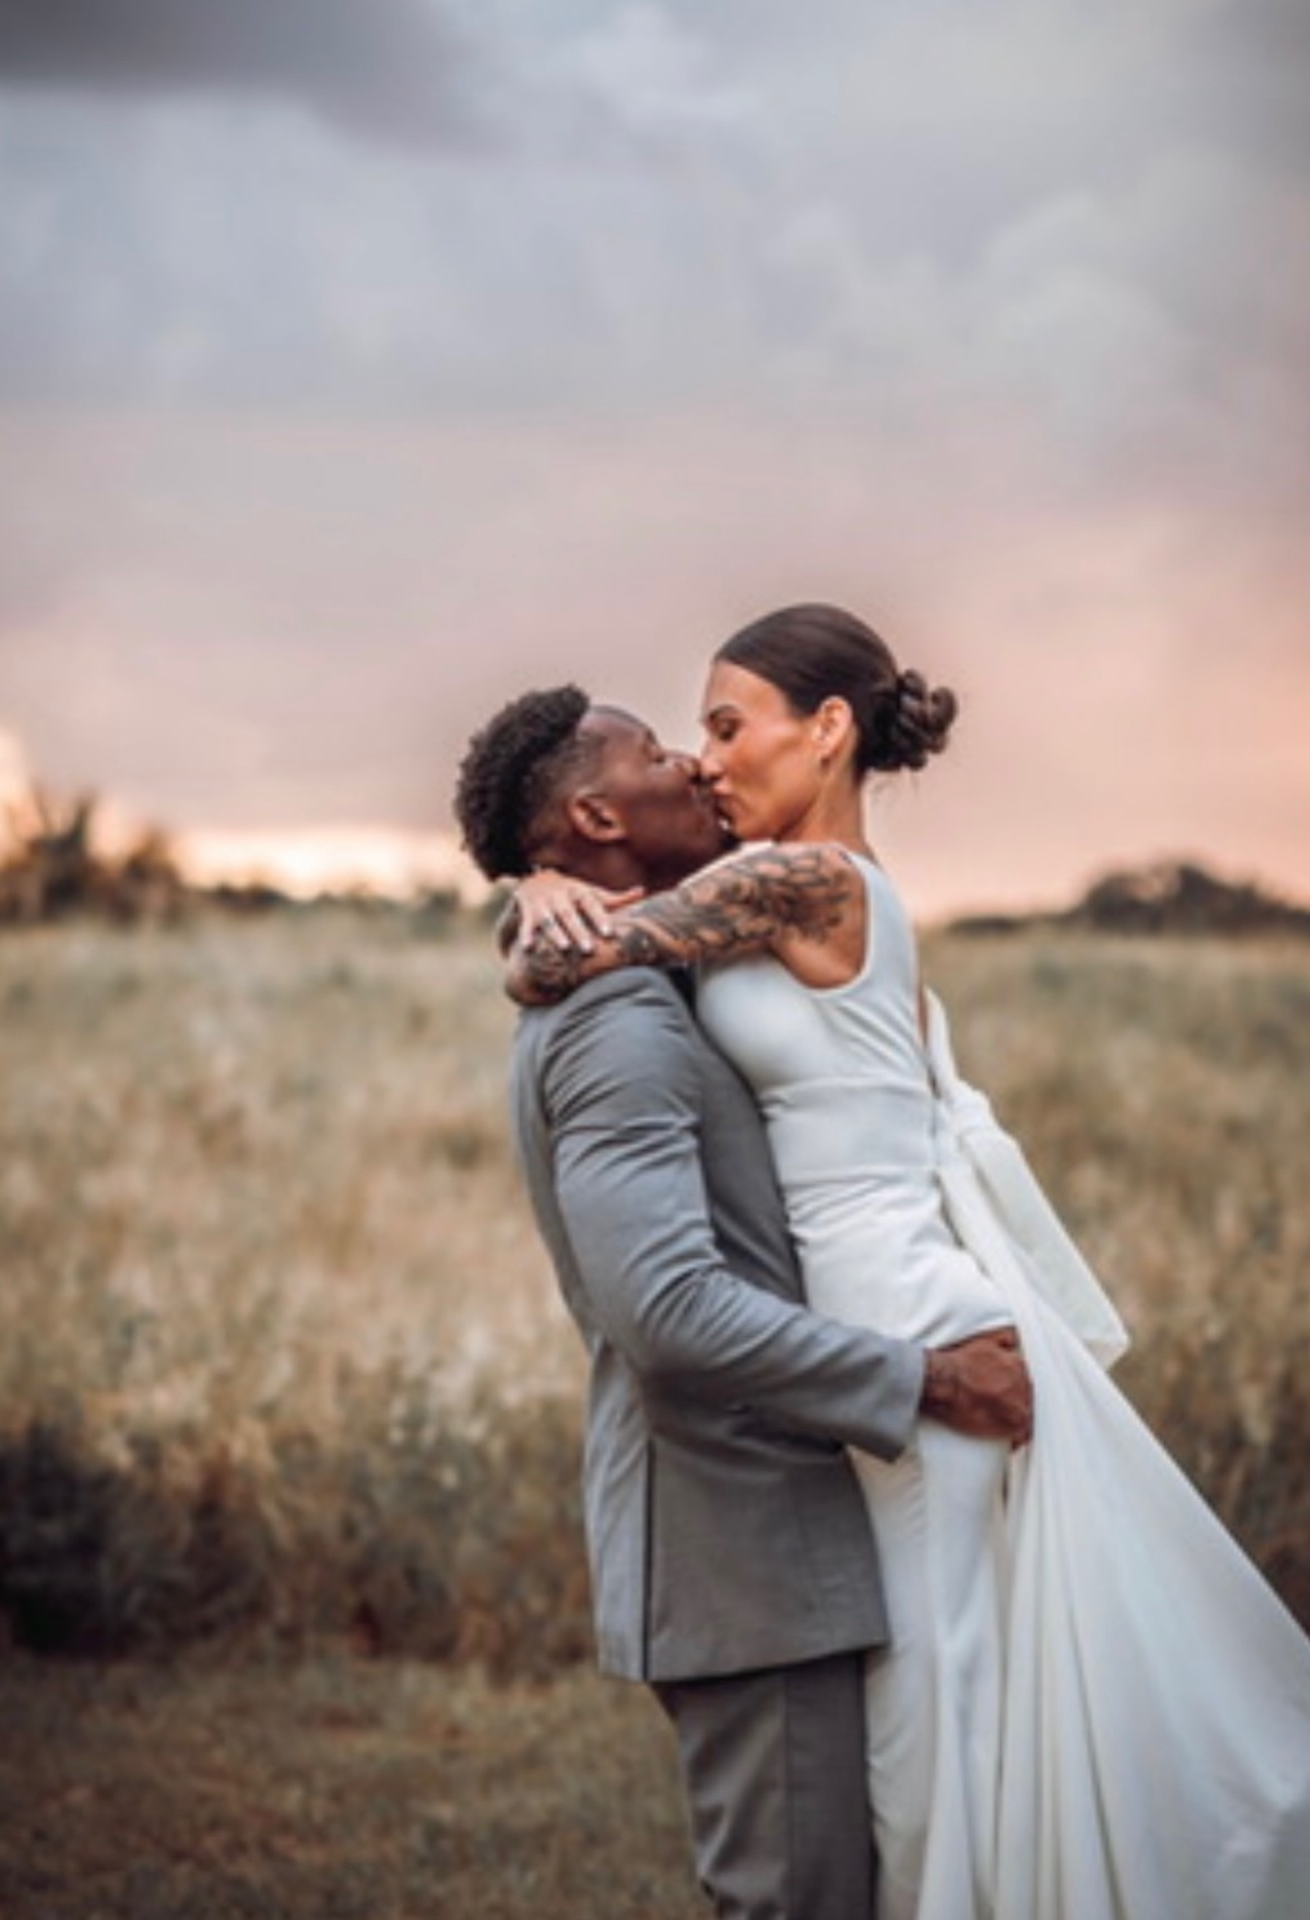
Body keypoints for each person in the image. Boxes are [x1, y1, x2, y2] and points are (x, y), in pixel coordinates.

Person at [505, 604, 1310, 1920]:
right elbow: (600, 946)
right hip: (863, 1309)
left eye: (723, 726)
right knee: (938, 1712)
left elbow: (579, 954)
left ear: (827, 734)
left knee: (936, 1723)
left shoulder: (817, 885)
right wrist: (536, 889)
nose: (703, 761)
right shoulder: (764, 895)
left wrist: (540, 894)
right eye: (691, 737)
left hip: (898, 1310)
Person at [452, 686, 1033, 1920]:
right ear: (601, 811)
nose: (696, 770)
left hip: (768, 1522)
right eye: (664, 753)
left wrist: (530, 906)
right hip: (740, 1534)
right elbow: (664, 1309)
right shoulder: (617, 1025)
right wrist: (925, 1380)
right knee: (797, 1900)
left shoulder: (639, 972)